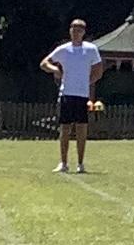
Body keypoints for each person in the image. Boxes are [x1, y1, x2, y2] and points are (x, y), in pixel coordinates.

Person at [42, 17, 104, 172]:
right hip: (66, 93)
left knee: (81, 129)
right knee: (65, 129)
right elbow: (44, 63)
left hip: (82, 95)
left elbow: (98, 70)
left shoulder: (91, 49)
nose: (76, 32)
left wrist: (87, 82)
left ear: (83, 32)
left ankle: (80, 164)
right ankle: (63, 163)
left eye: (79, 30)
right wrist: (55, 69)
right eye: (73, 29)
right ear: (70, 31)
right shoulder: (63, 49)